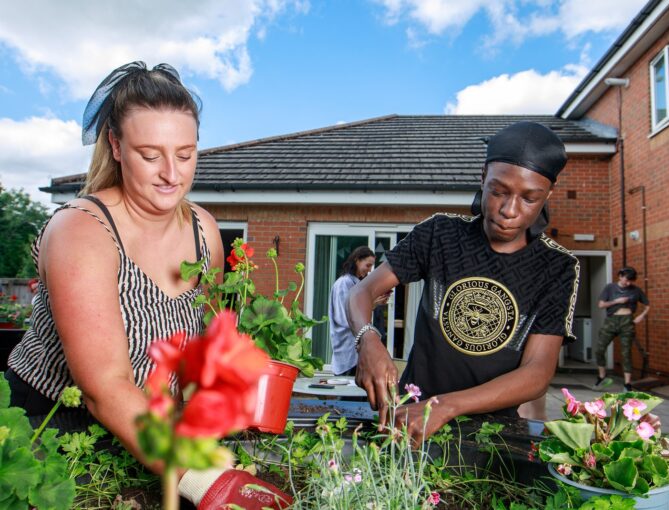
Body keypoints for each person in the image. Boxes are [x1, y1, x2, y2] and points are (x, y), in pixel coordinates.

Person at [6, 61, 280, 509]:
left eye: (186, 154)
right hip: (57, 430)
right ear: (115, 145)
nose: (172, 174)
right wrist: (206, 477)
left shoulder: (202, 229)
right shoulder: (81, 230)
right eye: (151, 155)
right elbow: (104, 387)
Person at [347, 121, 580, 444]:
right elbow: (363, 290)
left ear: (548, 195)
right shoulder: (440, 235)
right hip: (409, 421)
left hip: (494, 438)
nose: (509, 210)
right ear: (483, 177)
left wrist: (447, 406)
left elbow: (536, 373)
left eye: (530, 198)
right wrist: (367, 339)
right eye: (499, 191)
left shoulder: (557, 267)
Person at [329, 246, 390, 376]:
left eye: (371, 267)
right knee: (348, 393)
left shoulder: (356, 283)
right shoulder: (344, 283)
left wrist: (375, 302)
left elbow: (358, 314)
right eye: (367, 265)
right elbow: (345, 317)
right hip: (348, 351)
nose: (369, 271)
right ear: (357, 260)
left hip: (357, 351)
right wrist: (372, 304)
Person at [594, 266, 649, 392]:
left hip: (627, 321)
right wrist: (616, 301)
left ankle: (627, 384)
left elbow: (647, 305)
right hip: (611, 321)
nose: (628, 283)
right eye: (626, 280)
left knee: (626, 353)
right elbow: (601, 305)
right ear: (620, 276)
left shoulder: (635, 290)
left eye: (630, 281)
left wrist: (641, 316)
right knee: (599, 349)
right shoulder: (610, 288)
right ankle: (601, 376)